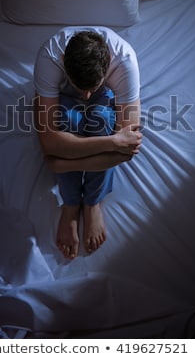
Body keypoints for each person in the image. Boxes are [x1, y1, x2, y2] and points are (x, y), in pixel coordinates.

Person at [33, 26, 142, 260]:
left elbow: (128, 151)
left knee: (101, 117)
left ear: (109, 62)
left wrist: (60, 163)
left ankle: (93, 202)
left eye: (91, 88)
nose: (86, 97)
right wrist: (112, 141)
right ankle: (71, 204)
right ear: (63, 61)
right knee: (66, 119)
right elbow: (49, 142)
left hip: (106, 95)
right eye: (80, 88)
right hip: (62, 97)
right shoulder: (50, 57)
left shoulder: (125, 61)